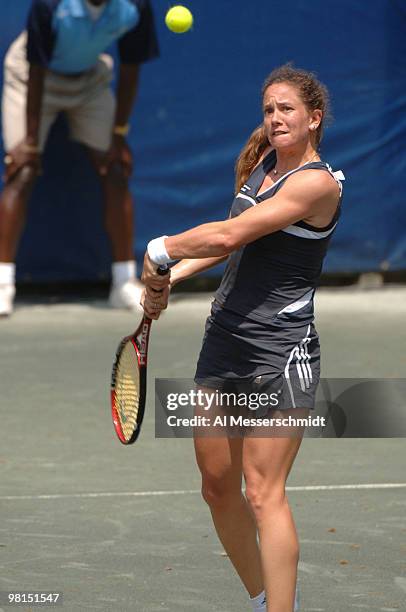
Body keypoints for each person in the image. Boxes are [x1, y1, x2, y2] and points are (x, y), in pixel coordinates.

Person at [141, 64, 344, 612]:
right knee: (216, 485)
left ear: (313, 119)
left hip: (282, 351)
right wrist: (172, 281)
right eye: (269, 109)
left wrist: (161, 251)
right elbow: (232, 248)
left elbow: (229, 232)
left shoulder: (316, 184)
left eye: (287, 109)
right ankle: (262, 599)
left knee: (262, 489)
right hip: (225, 341)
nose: (275, 118)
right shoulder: (260, 166)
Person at [0, 0, 159, 316]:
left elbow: (130, 68)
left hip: (89, 80)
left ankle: (123, 283)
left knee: (114, 169)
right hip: (31, 77)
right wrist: (30, 142)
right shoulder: (50, 6)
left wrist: (118, 134)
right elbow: (36, 68)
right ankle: (3, 283)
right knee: (23, 171)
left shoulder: (134, 7)